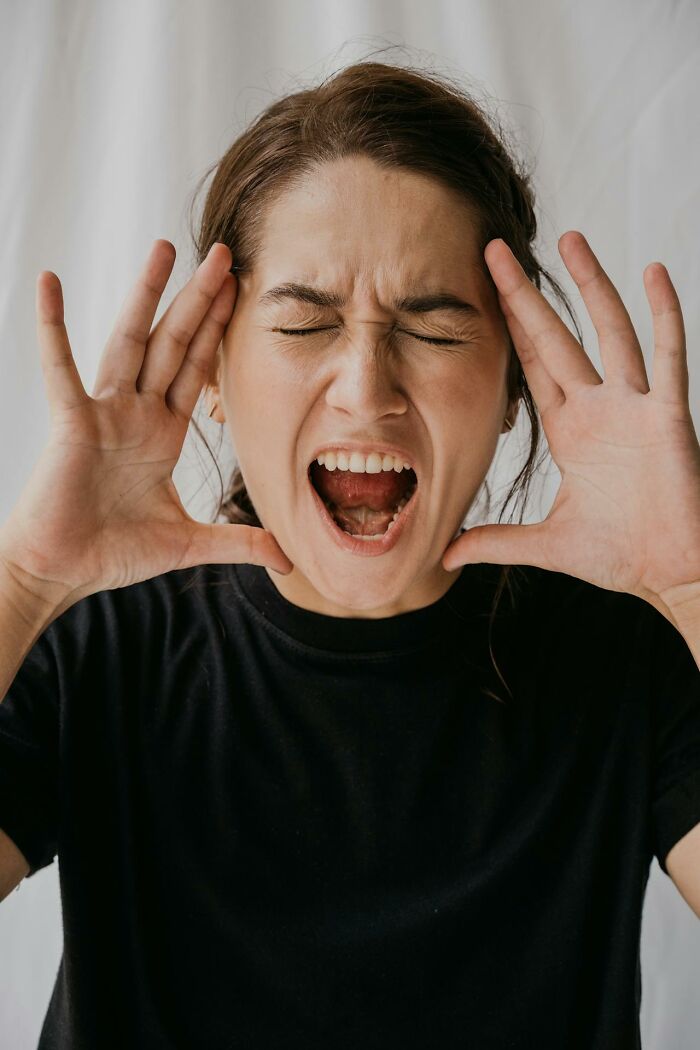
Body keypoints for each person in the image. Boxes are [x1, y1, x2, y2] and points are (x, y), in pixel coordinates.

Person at [0, 59, 699, 1050]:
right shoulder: (94, 645)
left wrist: (692, 586)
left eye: (433, 327)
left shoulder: (624, 654)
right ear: (210, 374)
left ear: (514, 388)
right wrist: (23, 586)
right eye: (304, 323)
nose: (366, 389)